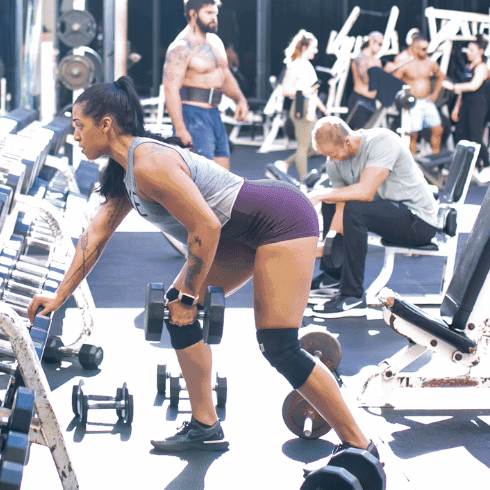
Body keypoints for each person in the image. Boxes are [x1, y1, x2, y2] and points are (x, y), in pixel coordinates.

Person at [27, 77, 377, 459]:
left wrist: (189, 294)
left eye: (79, 125)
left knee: (279, 345)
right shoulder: (126, 171)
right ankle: (205, 425)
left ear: (106, 124)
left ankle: (361, 446)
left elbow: (206, 227)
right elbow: (96, 234)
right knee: (178, 314)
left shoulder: (148, 163)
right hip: (241, 232)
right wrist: (59, 296)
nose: (75, 135)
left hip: (282, 221)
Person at [307, 117, 439, 318]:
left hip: (418, 221)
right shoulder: (334, 163)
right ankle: (334, 276)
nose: (331, 160)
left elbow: (366, 192)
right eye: (327, 156)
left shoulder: (382, 141)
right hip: (388, 215)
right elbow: (340, 205)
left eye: (333, 154)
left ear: (347, 141)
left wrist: (319, 194)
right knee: (334, 201)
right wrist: (328, 246)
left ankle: (352, 296)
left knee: (355, 208)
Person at [162, 0, 248, 170]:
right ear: (193, 14)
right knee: (202, 176)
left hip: (214, 114)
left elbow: (225, 75)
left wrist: (240, 100)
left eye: (215, 13)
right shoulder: (180, 47)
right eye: (209, 13)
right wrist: (180, 128)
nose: (214, 18)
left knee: (223, 176)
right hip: (192, 116)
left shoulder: (215, 41)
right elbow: (170, 89)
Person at [269, 30, 326, 183]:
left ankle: (284, 164)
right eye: (314, 47)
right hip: (301, 106)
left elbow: (312, 91)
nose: (316, 51)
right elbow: (286, 90)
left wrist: (323, 108)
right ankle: (304, 181)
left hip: (310, 106)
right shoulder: (296, 65)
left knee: (313, 147)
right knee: (303, 147)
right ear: (304, 48)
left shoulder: (306, 65)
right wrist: (304, 91)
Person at [388, 34, 446, 155]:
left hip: (426, 101)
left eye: (427, 48)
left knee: (438, 129)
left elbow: (441, 76)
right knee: (413, 134)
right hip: (412, 102)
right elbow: (393, 81)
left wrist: (435, 94)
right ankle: (412, 160)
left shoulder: (429, 62)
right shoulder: (405, 62)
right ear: (415, 48)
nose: (426, 52)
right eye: (423, 49)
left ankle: (435, 157)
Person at [443, 35, 489, 173]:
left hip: (478, 105)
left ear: (480, 51)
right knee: (462, 135)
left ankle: (486, 164)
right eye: (467, 49)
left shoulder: (482, 67)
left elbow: (474, 86)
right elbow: (463, 92)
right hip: (465, 104)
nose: (468, 52)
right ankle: (471, 166)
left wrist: (453, 86)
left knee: (475, 137)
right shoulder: (468, 66)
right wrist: (456, 108)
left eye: (472, 50)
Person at [347, 31, 384, 126]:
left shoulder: (376, 60)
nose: (380, 48)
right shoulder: (361, 58)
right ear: (371, 41)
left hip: (372, 101)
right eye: (379, 44)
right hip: (360, 99)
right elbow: (366, 80)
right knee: (358, 132)